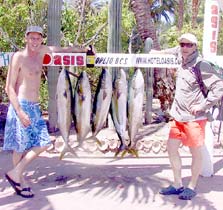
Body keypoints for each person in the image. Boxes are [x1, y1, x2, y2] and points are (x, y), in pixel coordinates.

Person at [3, 25, 88, 198]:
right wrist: (19, 112)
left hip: (34, 107)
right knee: (19, 147)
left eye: (38, 38)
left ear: (41, 39)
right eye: (32, 38)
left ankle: (15, 173)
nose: (35, 41)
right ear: (26, 38)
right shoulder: (18, 57)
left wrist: (83, 49)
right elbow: (8, 88)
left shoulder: (42, 51)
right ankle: (20, 181)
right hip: (21, 105)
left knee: (44, 143)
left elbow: (63, 49)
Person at [152, 33, 223, 200]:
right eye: (182, 44)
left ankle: (191, 186)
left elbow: (219, 87)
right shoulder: (181, 54)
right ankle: (177, 184)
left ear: (195, 47)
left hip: (195, 119)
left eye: (188, 45)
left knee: (195, 153)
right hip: (178, 116)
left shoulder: (201, 65)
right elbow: (173, 50)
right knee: (171, 148)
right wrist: (155, 53)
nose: (184, 47)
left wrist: (203, 106)